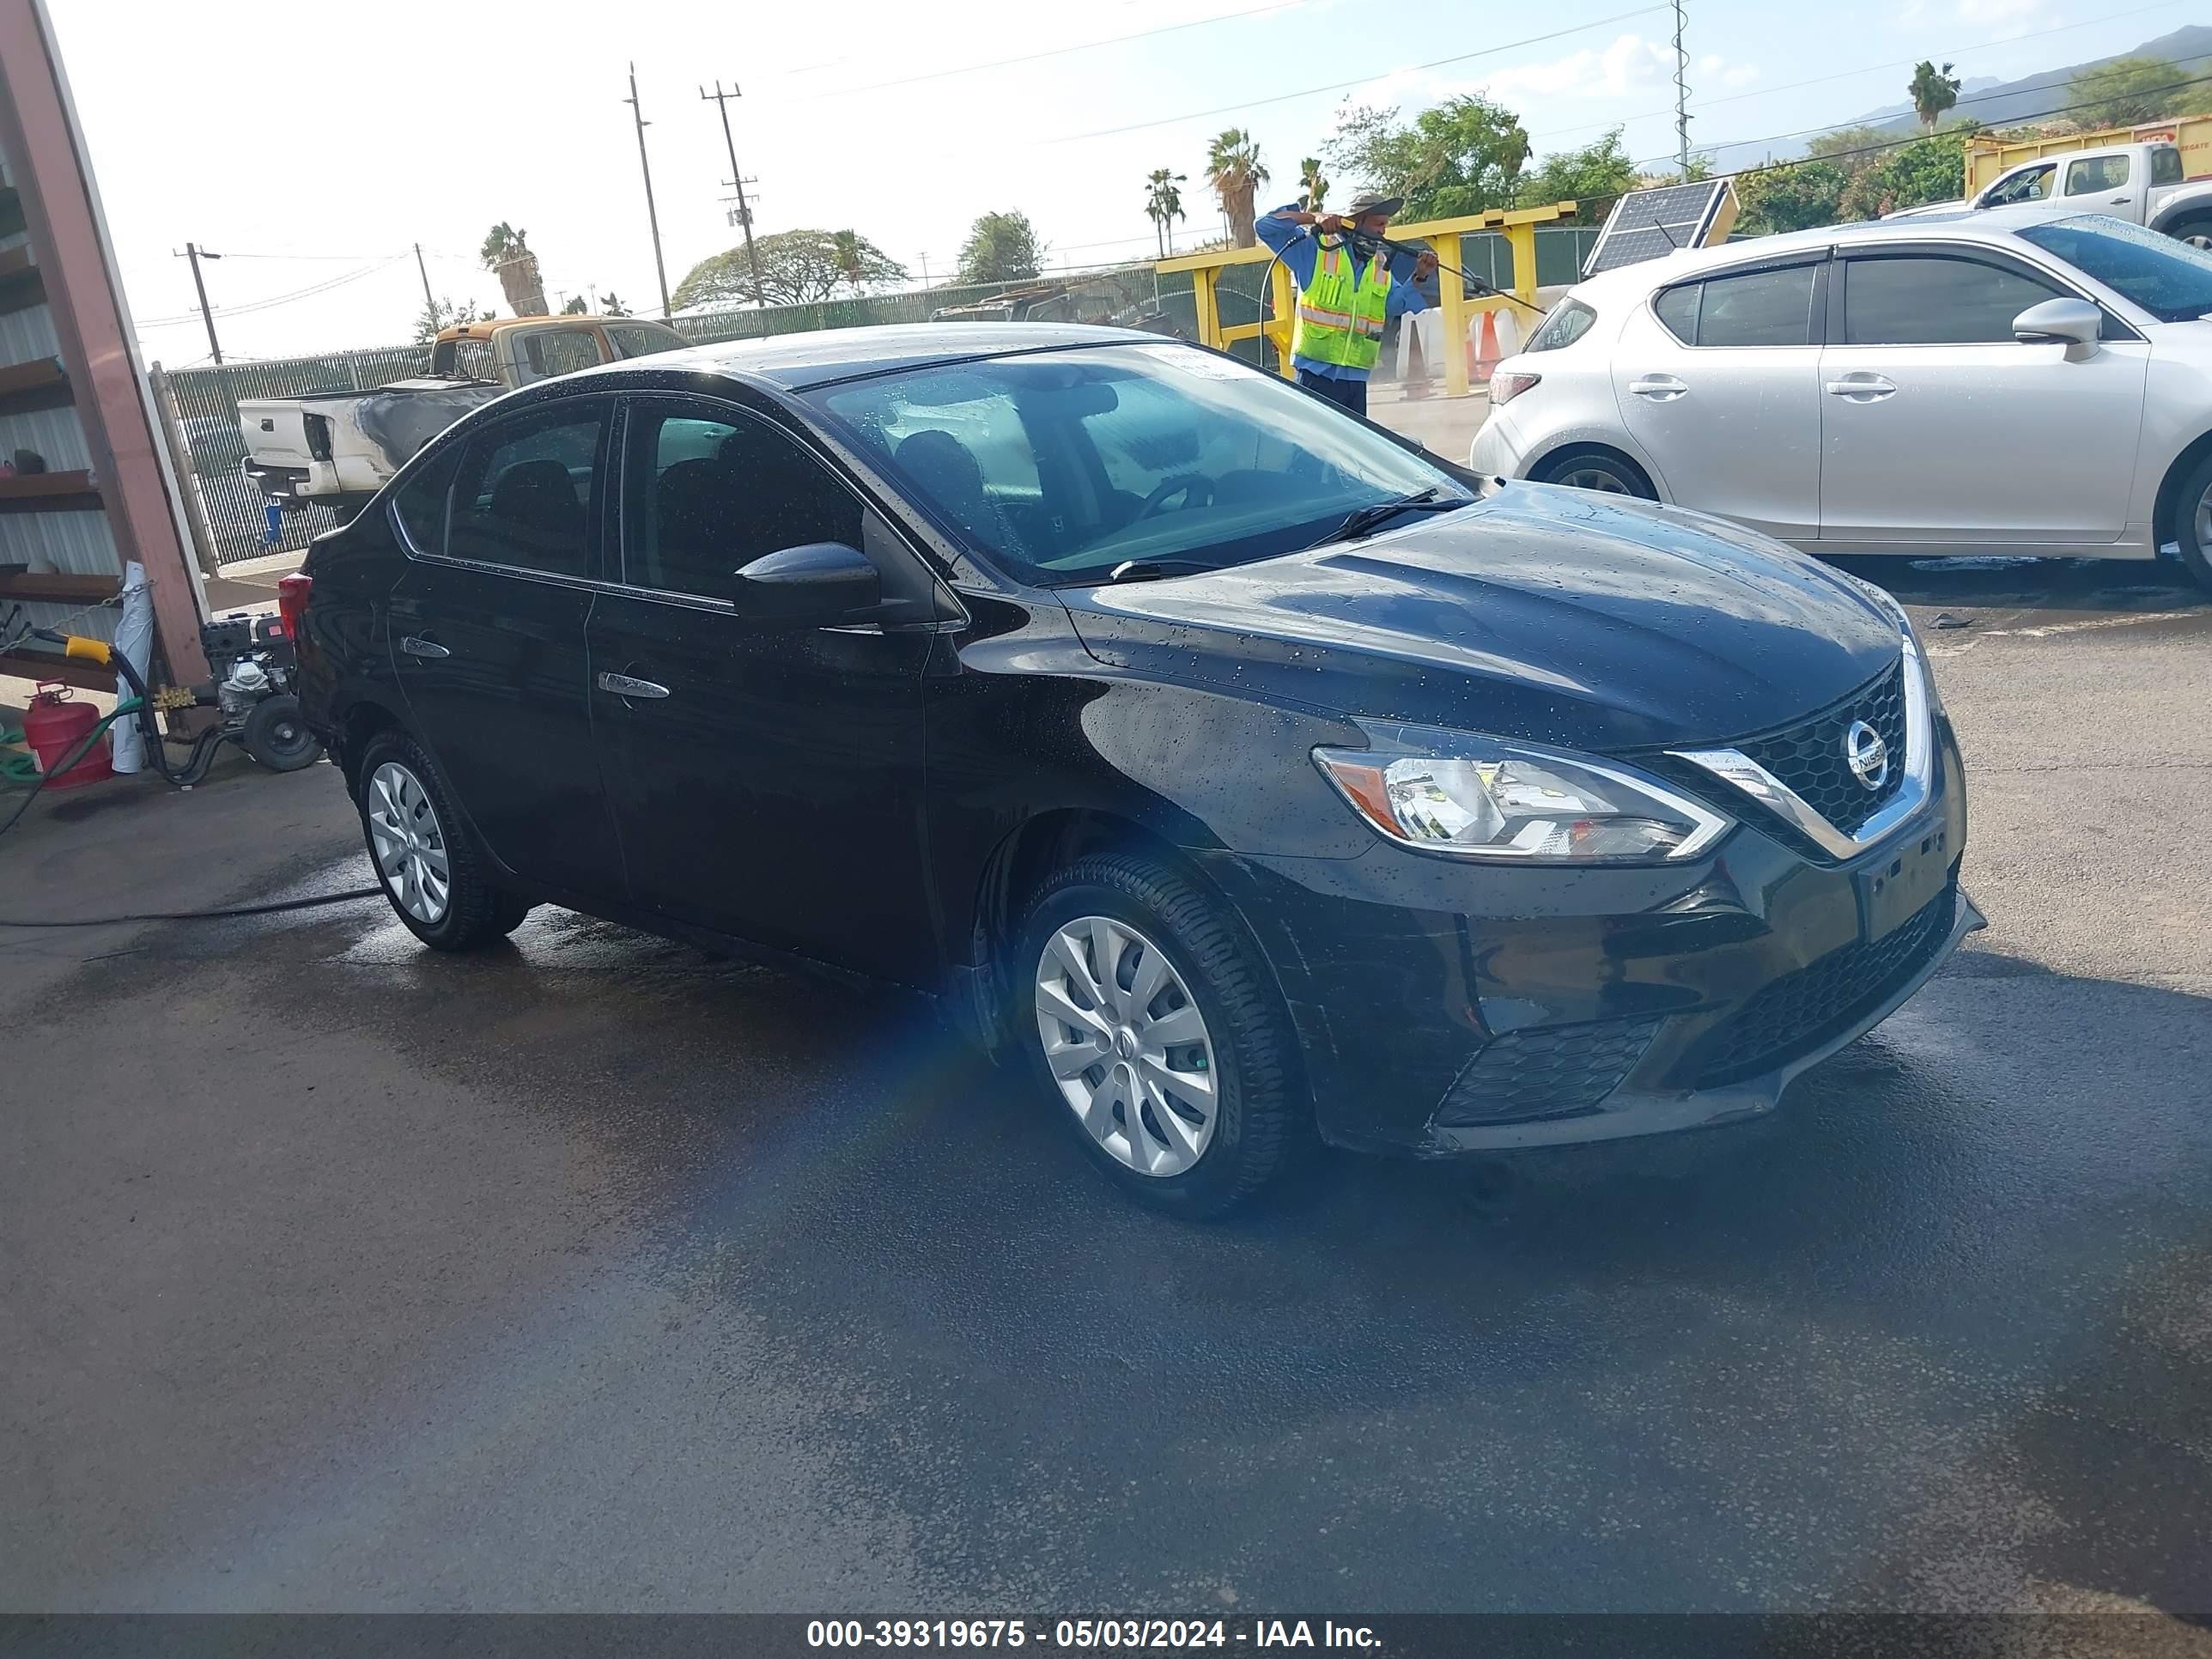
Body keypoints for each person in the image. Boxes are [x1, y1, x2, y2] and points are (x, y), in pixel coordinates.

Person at [1256, 191, 1437, 418]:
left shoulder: (1380, 265)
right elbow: (1265, 226)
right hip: (1316, 375)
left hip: (1356, 380)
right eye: (1379, 224)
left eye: (1385, 226)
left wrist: (1419, 277)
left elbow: (1393, 306)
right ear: (1356, 221)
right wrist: (1314, 218)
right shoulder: (1315, 251)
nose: (1383, 231)